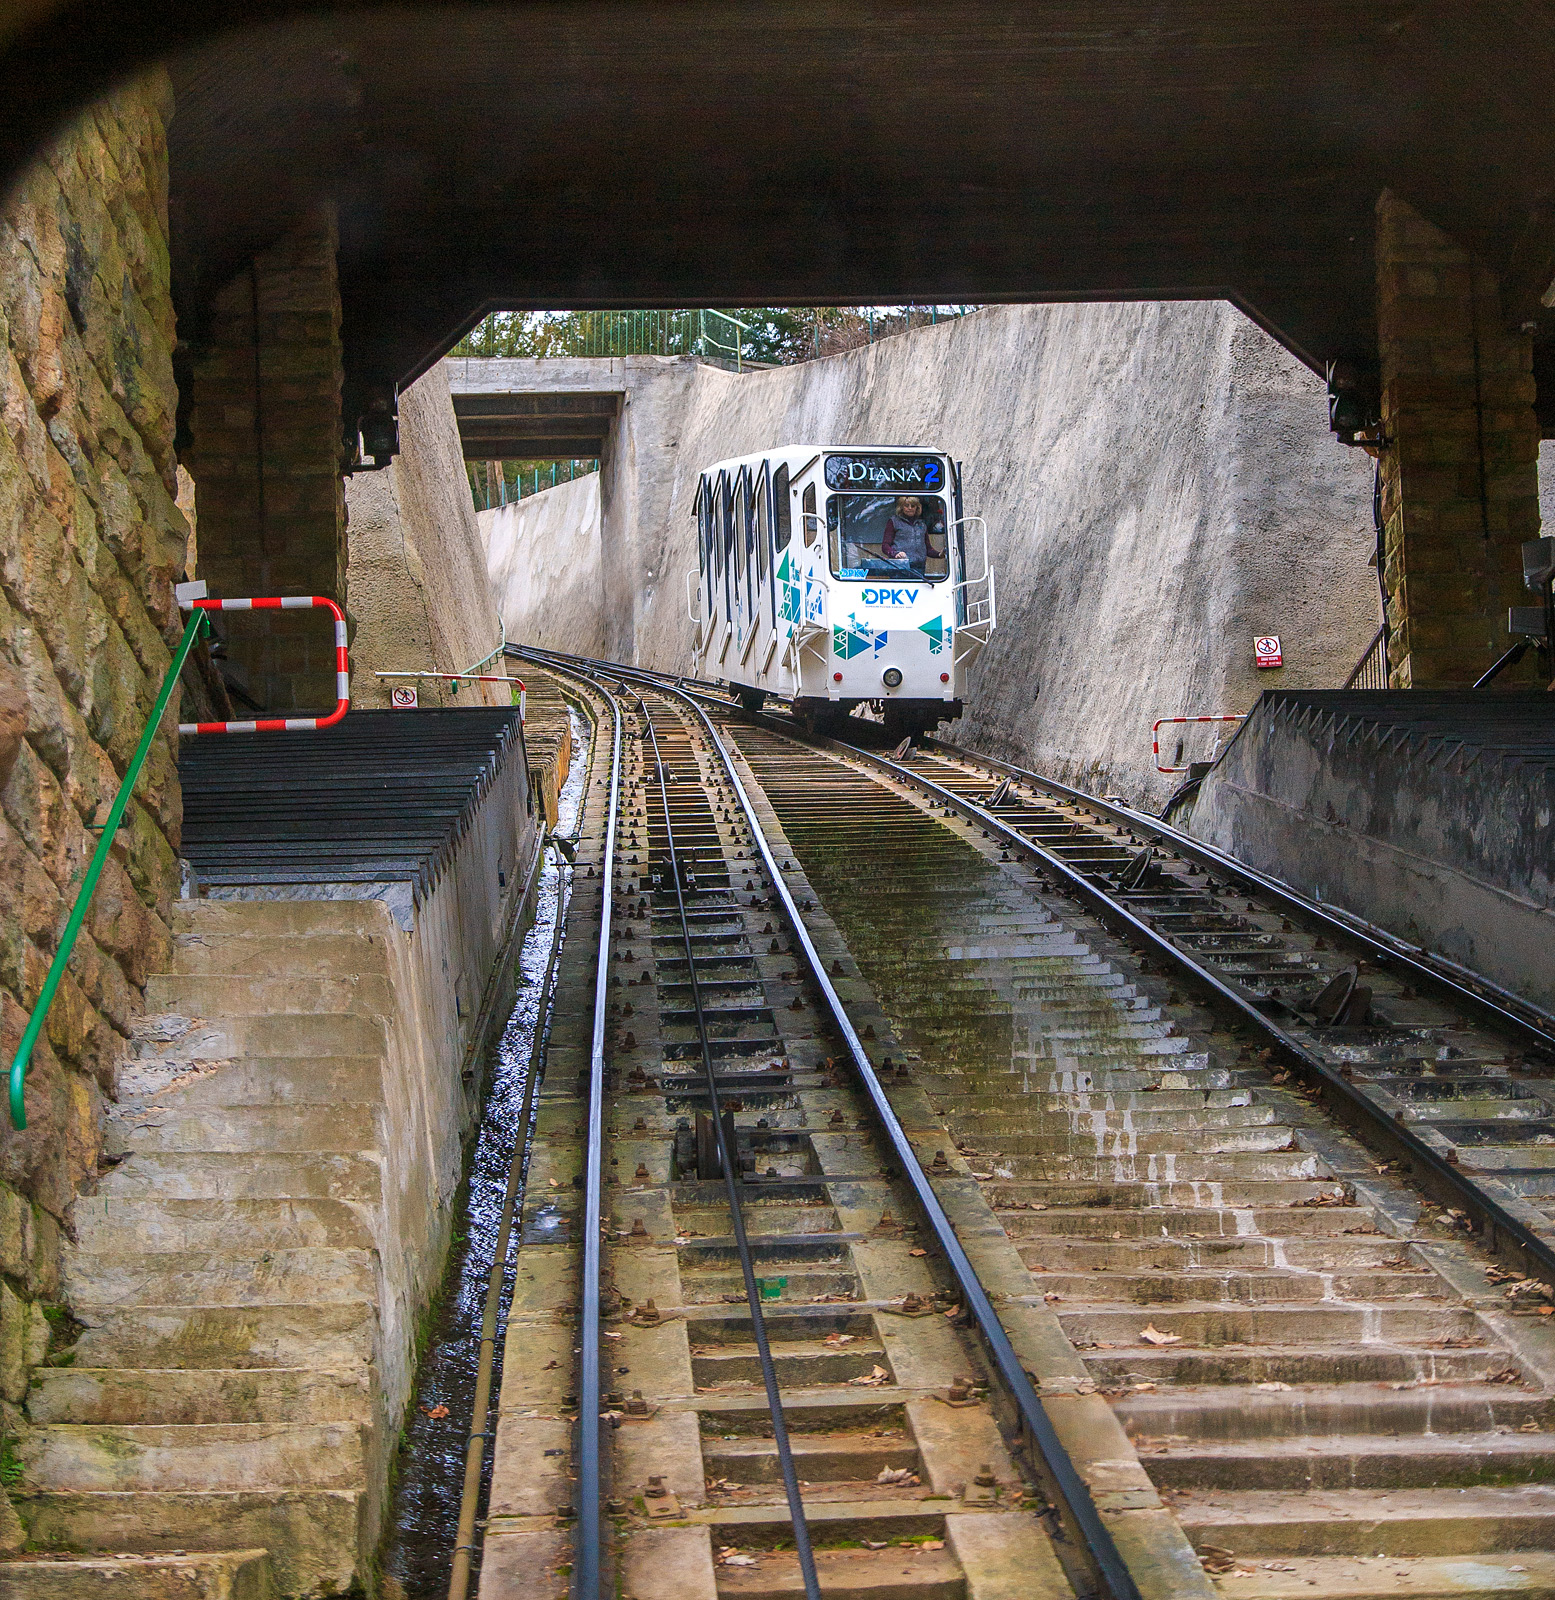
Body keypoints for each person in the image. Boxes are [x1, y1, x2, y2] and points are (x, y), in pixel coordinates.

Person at [881, 496, 944, 576]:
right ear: (901, 508)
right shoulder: (894, 521)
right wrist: (895, 554)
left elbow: (927, 549)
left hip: (919, 568)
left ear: (917, 508)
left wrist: (939, 554)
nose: (910, 508)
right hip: (899, 567)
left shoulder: (921, 524)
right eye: (907, 506)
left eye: (913, 506)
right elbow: (885, 546)